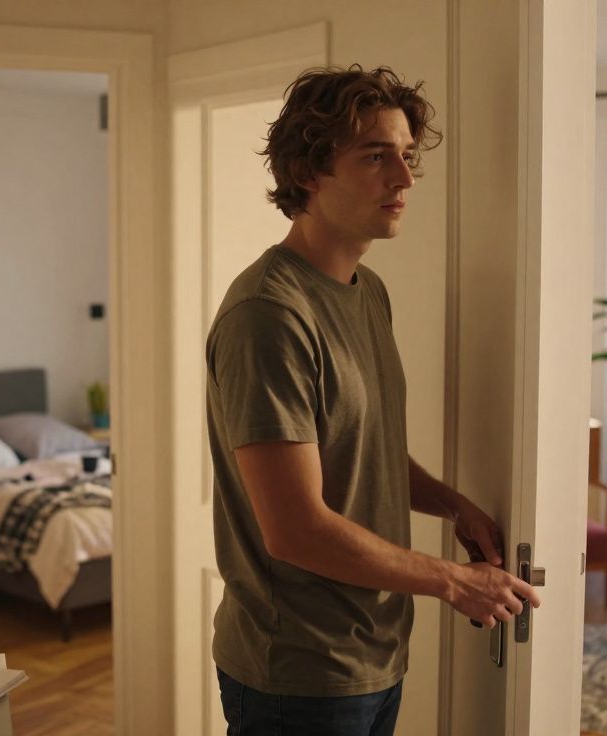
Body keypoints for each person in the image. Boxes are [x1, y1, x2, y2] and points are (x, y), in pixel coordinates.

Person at [205, 64, 542, 736]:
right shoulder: (269, 314)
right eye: (376, 156)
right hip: (299, 672)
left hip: (376, 651)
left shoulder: (367, 291)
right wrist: (453, 580)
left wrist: (452, 503)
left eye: (408, 156)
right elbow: (294, 528)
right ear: (308, 171)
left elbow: (364, 446)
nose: (405, 179)